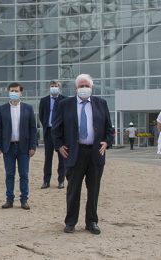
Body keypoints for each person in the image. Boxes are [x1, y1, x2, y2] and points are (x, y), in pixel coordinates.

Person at [52, 74, 113, 235]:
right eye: (81, 86)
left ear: (91, 88)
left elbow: (109, 128)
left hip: (95, 153)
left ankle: (91, 222)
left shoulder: (101, 103)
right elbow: (56, 128)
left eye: (87, 86)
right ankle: (70, 222)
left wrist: (107, 142)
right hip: (74, 153)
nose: (84, 88)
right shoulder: (65, 105)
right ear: (76, 88)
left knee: (93, 190)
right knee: (73, 189)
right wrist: (58, 146)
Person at [0, 82, 37, 210]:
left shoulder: (28, 108)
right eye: (12, 91)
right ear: (8, 92)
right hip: (8, 147)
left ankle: (24, 200)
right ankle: (9, 199)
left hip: (24, 147)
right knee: (9, 174)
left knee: (24, 174)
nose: (14, 93)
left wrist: (33, 146)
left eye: (16, 91)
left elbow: (33, 129)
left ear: (21, 93)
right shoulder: (2, 109)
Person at [38, 80, 66, 189]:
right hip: (49, 132)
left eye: (56, 86)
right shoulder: (44, 100)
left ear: (60, 88)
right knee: (48, 158)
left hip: (61, 133)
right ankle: (46, 181)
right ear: (49, 87)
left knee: (62, 158)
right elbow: (41, 115)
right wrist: (47, 124)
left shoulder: (65, 100)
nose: (54, 87)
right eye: (52, 86)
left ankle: (61, 181)